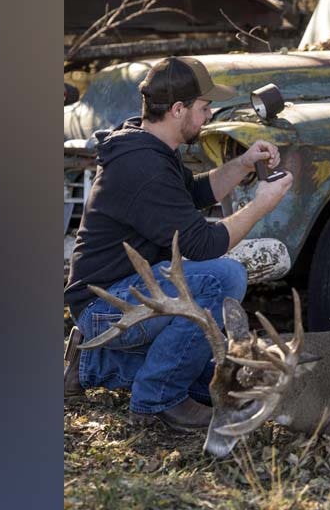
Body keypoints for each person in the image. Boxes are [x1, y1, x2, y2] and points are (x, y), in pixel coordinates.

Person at [63, 56, 294, 430]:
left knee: (209, 380)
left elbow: (193, 192)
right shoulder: (143, 167)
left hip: (121, 297)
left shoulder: (150, 146)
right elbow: (204, 244)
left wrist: (243, 165)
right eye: (204, 108)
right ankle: (156, 401)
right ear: (177, 109)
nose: (208, 116)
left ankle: (92, 364)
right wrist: (262, 204)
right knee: (223, 278)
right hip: (105, 306)